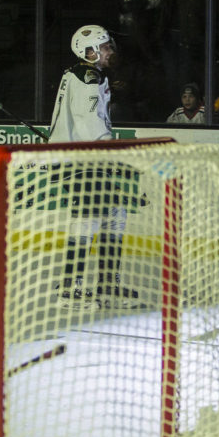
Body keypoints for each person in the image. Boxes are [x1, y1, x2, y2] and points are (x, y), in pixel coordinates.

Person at [48, 25, 139, 309]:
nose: (110, 51)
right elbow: (91, 124)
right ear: (90, 52)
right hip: (80, 159)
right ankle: (68, 290)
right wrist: (111, 152)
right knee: (88, 218)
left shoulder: (80, 74)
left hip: (79, 157)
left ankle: (108, 284)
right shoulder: (89, 78)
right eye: (106, 47)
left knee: (115, 212)